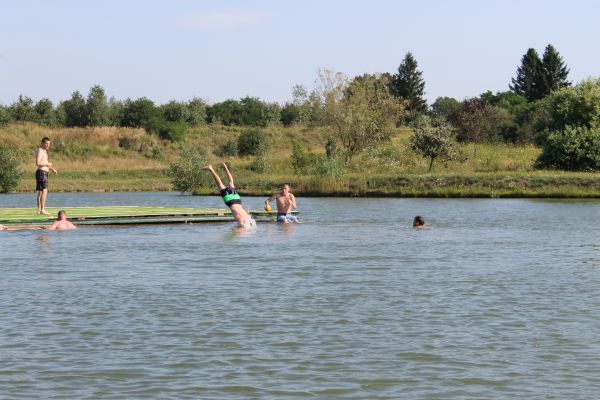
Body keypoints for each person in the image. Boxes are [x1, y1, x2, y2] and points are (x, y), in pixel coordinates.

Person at [204, 162, 256, 229]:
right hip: (231, 202)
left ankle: (225, 167)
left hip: (238, 201)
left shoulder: (249, 219)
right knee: (220, 185)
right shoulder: (243, 222)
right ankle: (211, 169)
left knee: (231, 183)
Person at [35, 137, 58, 215]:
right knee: (44, 191)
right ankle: (42, 209)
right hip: (42, 172)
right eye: (46, 143)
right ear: (42, 143)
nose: (48, 145)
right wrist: (48, 164)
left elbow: (45, 163)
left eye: (49, 144)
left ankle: (39, 210)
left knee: (41, 192)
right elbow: (38, 163)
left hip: (43, 172)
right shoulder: (40, 151)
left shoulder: (44, 151)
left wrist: (52, 169)